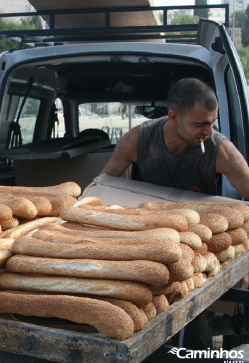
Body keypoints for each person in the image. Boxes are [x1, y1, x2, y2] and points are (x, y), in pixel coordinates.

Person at [101, 77, 249, 349]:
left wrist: (244, 260)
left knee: (195, 330)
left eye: (212, 122)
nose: (208, 130)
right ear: (173, 117)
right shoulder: (138, 140)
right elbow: (101, 189)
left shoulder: (218, 147)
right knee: (142, 322)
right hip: (145, 241)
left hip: (198, 247)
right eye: (200, 124)